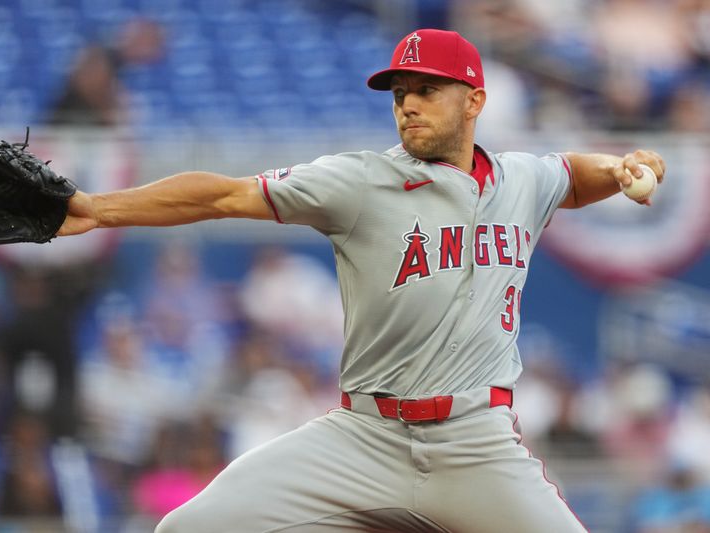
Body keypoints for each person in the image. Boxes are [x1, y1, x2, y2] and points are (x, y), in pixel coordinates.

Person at [58, 29, 666, 533]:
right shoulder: (359, 182)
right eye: (400, 92)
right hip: (363, 437)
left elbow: (572, 176)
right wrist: (100, 208)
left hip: (476, 443)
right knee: (185, 530)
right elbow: (223, 194)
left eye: (427, 90)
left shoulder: (521, 179)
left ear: (474, 101)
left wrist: (620, 166)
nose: (408, 105)